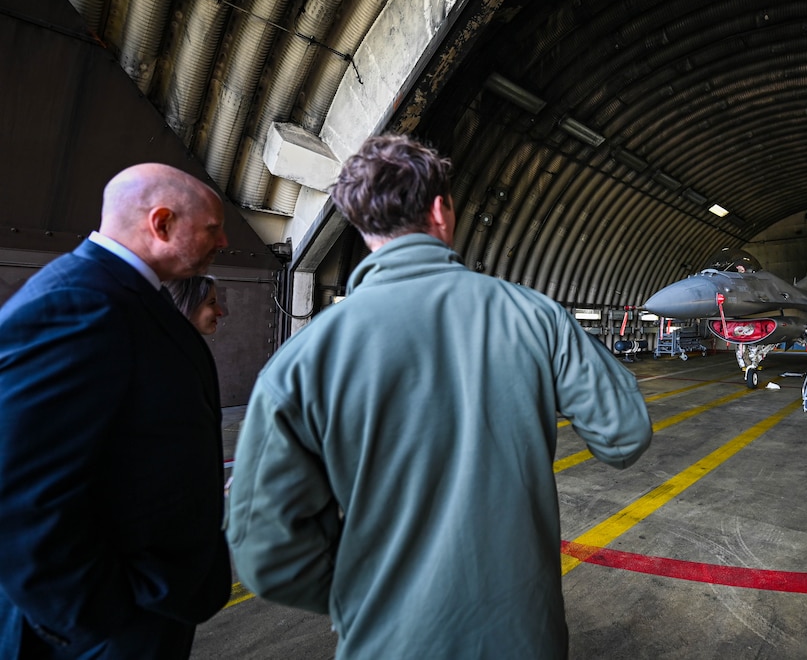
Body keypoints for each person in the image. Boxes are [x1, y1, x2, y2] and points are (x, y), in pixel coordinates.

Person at [227, 133, 653, 659]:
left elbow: (263, 548)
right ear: (440, 210)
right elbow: (624, 434)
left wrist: (358, 598)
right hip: (523, 639)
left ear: (364, 228)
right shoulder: (536, 316)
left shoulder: (300, 361)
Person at [0, 163, 232, 659]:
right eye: (213, 228)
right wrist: (98, 622)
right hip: (104, 630)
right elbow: (19, 492)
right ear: (162, 223)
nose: (224, 242)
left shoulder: (125, 297)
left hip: (146, 606)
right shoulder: (77, 302)